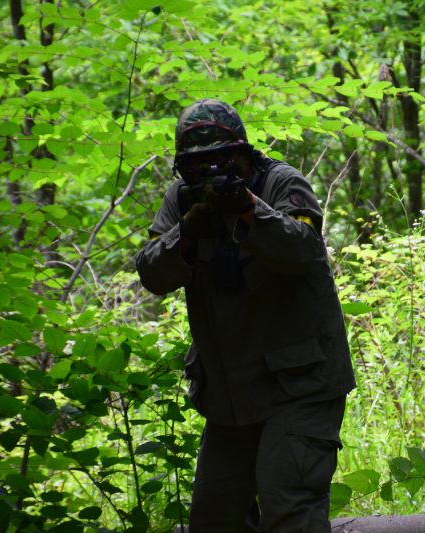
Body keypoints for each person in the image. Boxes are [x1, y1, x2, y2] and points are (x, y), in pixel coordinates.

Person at [135, 99, 356, 533]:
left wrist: (248, 208)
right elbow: (152, 274)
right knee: (213, 519)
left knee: (289, 509)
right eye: (195, 164)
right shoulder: (181, 199)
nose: (210, 171)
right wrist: (187, 231)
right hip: (229, 396)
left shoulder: (282, 183)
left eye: (221, 160)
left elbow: (302, 251)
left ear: (243, 153)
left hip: (301, 386)